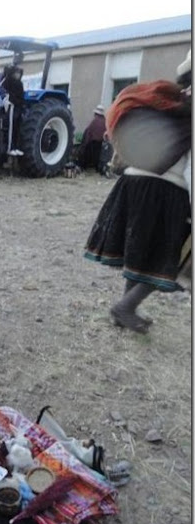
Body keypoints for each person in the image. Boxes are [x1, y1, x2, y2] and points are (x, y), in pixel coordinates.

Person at [84, 55, 191, 333]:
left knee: (140, 250)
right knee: (165, 257)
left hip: (134, 182)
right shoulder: (186, 110)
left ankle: (127, 309)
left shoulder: (170, 102)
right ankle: (125, 307)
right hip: (164, 187)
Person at [0, 65, 25, 156]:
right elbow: (6, 94)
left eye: (19, 73)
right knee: (10, 128)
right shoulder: (7, 82)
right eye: (16, 73)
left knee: (17, 128)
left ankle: (16, 147)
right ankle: (9, 148)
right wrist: (13, 101)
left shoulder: (20, 83)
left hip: (18, 107)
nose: (18, 75)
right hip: (12, 107)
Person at [77, 104, 107, 171]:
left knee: (87, 153)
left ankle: (84, 166)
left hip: (92, 141)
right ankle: (96, 167)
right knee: (97, 155)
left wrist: (84, 144)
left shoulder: (94, 121)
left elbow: (88, 132)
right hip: (100, 142)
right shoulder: (105, 121)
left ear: (96, 113)